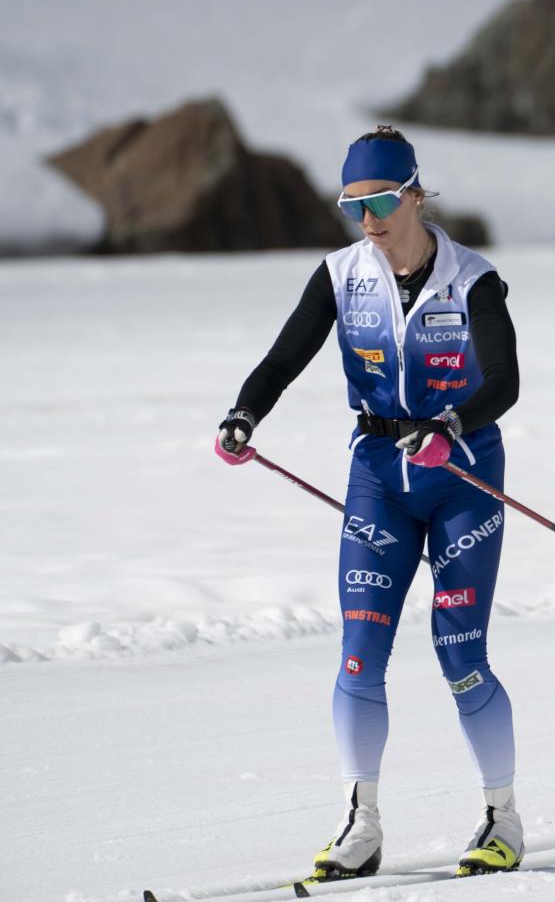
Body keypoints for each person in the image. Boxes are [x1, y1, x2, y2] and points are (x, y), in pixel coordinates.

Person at [213, 127, 525, 878]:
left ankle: (503, 818)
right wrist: (244, 413)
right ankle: (362, 824)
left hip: (461, 476)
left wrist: (452, 426)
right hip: (379, 478)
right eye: (354, 205)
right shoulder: (340, 274)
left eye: (382, 200)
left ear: (415, 193)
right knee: (359, 653)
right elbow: (285, 356)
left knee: (462, 656)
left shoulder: (472, 277)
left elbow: (504, 379)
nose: (370, 219)